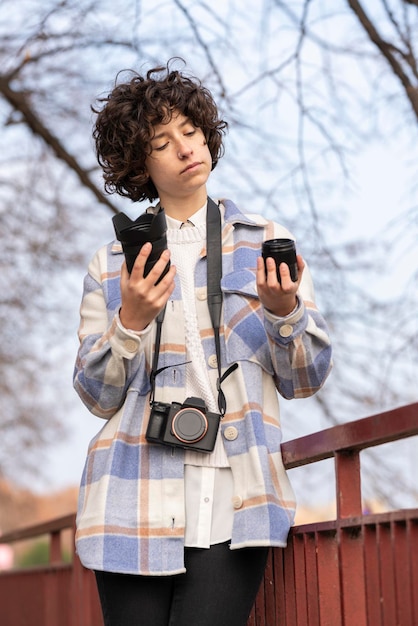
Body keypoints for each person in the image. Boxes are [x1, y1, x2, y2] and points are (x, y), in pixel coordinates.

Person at [73, 59, 332, 626]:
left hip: (237, 492)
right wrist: (132, 319)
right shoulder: (114, 262)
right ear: (140, 165)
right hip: (133, 494)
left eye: (190, 131)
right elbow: (96, 396)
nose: (185, 147)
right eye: (163, 142)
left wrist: (284, 312)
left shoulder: (265, 242)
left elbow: (306, 378)